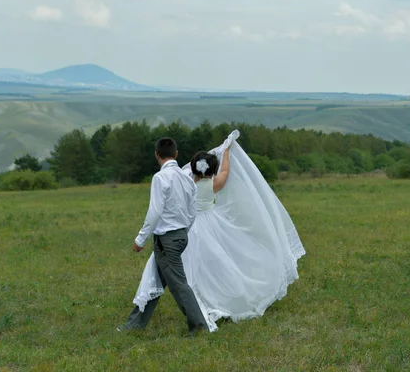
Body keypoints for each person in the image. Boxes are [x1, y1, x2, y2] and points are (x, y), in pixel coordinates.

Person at [132, 131, 305, 332]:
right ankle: (214, 301)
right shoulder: (214, 182)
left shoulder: (184, 179)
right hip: (211, 224)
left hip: (186, 227)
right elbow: (225, 171)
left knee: (190, 270)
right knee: (217, 265)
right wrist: (226, 151)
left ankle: (195, 309)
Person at [117, 137, 208, 336]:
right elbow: (193, 212)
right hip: (180, 236)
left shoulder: (161, 178)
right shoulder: (187, 178)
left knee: (178, 285)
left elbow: (155, 212)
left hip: (167, 239)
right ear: (176, 154)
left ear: (156, 155)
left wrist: (140, 239)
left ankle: (200, 326)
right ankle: (135, 324)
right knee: (154, 280)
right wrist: (183, 231)